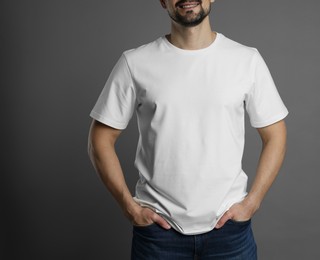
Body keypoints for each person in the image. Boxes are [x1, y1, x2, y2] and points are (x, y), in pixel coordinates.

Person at [88, 0, 288, 259]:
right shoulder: (135, 63)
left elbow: (275, 135)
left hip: (229, 232)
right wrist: (130, 208)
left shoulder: (246, 60)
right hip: (158, 235)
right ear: (162, 1)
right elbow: (100, 140)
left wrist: (253, 201)